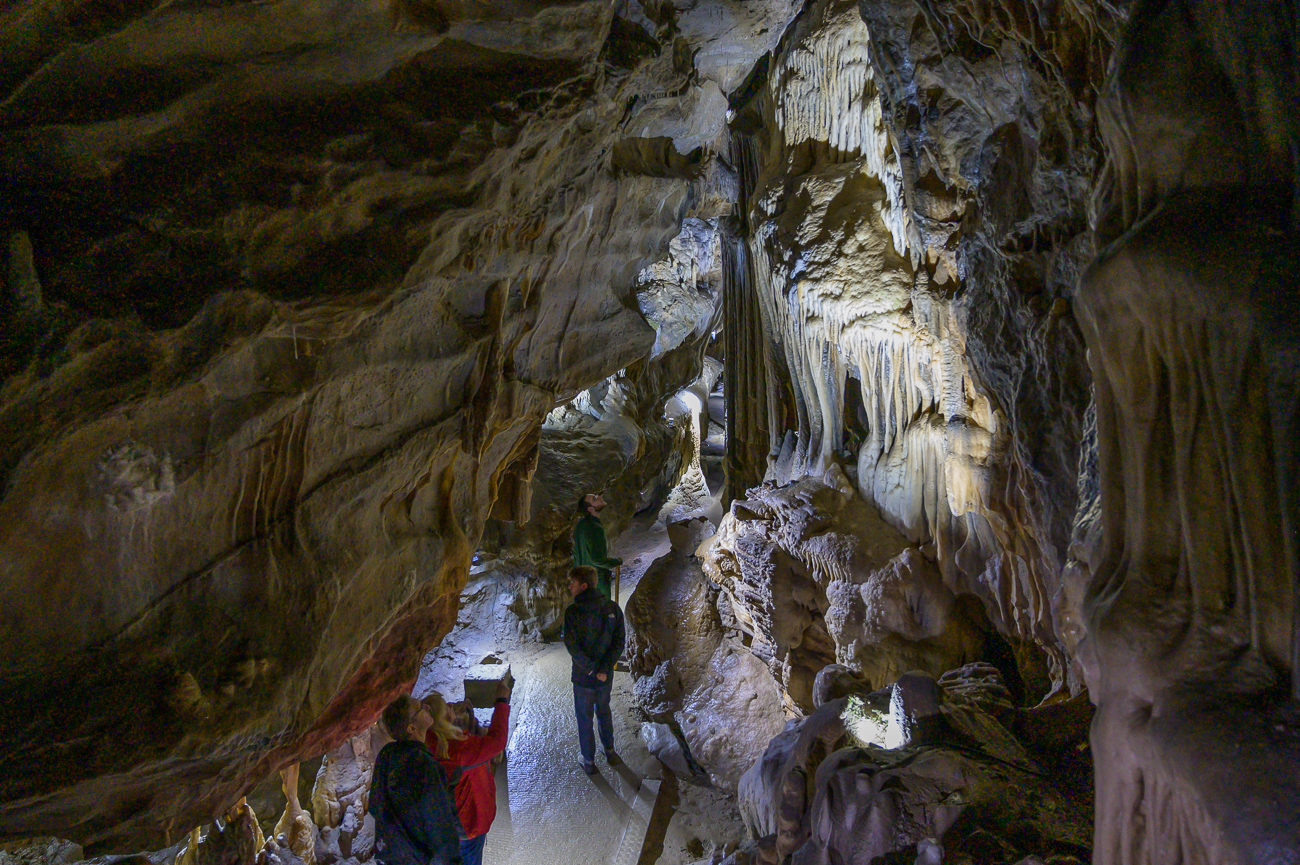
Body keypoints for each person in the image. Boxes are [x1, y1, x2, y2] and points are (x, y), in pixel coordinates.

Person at [423, 681, 511, 865]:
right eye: (444, 708)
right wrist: (502, 701)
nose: (450, 705)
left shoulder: (432, 740)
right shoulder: (458, 751)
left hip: (446, 823)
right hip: (467, 825)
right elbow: (497, 742)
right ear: (440, 721)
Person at [369, 695, 462, 865]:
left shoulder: (386, 754)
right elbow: (440, 827)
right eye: (420, 708)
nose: (426, 707)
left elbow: (374, 806)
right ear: (411, 728)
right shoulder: (425, 765)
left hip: (391, 855)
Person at [563, 565, 625, 775]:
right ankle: (609, 750)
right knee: (604, 711)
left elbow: (573, 647)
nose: (569, 587)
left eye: (572, 583)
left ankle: (588, 761)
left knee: (584, 717)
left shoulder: (572, 612)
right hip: (605, 677)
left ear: (583, 586)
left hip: (583, 677)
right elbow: (619, 642)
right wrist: (604, 668)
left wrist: (591, 670)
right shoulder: (612, 609)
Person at [572, 492, 622, 599]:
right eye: (595, 499)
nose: (599, 497)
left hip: (582, 582)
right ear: (590, 509)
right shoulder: (595, 528)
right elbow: (598, 560)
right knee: (602, 613)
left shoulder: (580, 525)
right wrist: (616, 561)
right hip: (597, 583)